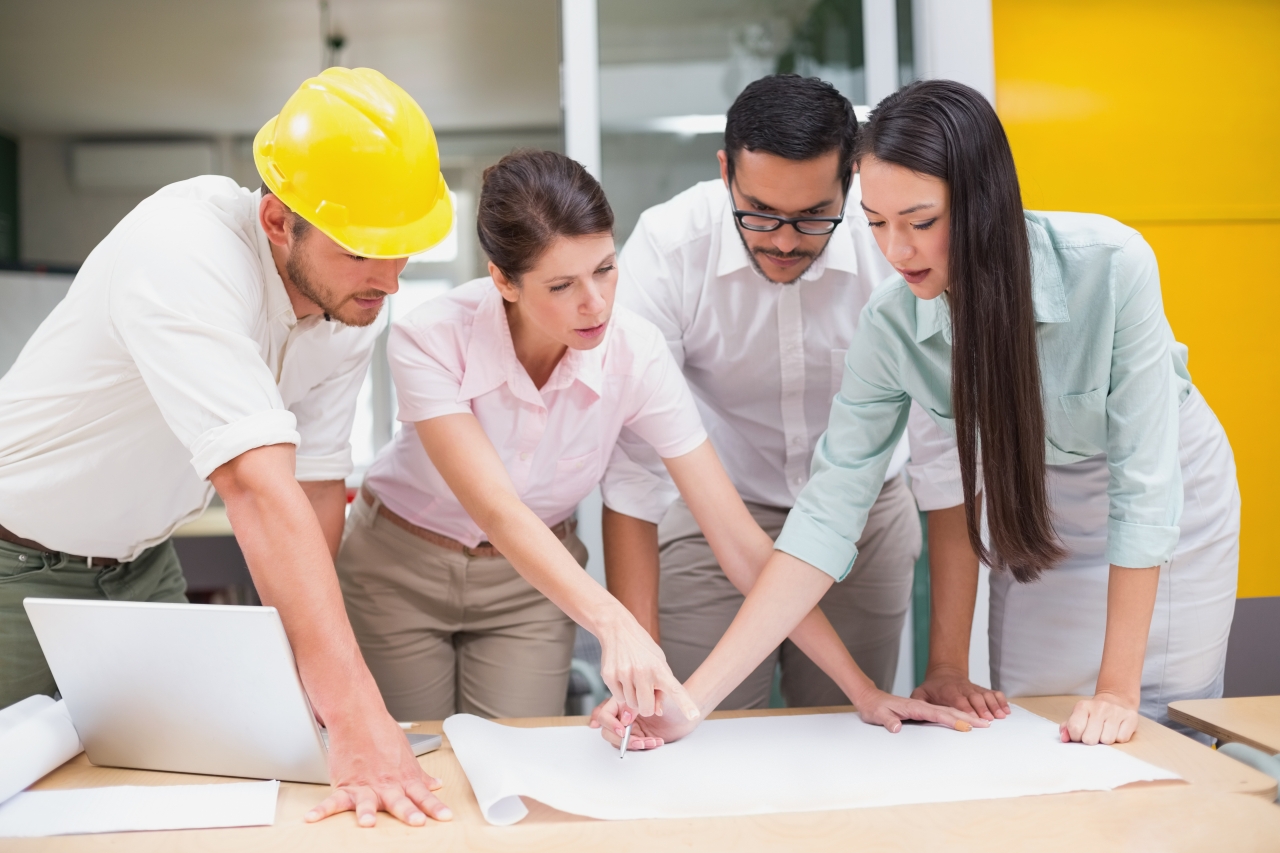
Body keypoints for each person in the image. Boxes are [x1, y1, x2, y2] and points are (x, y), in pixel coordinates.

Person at [593, 79, 1238, 750]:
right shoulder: (893, 321)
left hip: (1168, 498)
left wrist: (1118, 690)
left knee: (1154, 717)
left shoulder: (1111, 265)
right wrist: (690, 703)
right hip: (1030, 499)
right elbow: (827, 515)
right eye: (875, 223)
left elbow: (1143, 486)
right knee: (1037, 722)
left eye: (920, 223)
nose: (895, 251)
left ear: (982, 201)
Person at [335, 150, 974, 734]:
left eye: (605, 270)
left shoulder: (635, 351)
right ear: (504, 281)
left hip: (530, 585)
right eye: (561, 286)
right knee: (421, 754)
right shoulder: (428, 337)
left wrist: (862, 691)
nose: (595, 304)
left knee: (516, 757)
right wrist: (617, 624)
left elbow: (741, 544)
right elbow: (498, 509)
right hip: (400, 565)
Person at [0, 68, 457, 826]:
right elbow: (255, 485)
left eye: (402, 249)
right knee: (22, 807)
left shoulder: (351, 303)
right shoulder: (183, 250)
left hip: (142, 565)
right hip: (11, 561)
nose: (390, 280)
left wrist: (311, 679)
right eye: (362, 251)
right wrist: (354, 711)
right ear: (278, 220)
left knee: (190, 798)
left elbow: (315, 488)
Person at [601, 74, 923, 709]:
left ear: (851, 179)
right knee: (706, 729)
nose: (782, 240)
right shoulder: (669, 248)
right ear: (726, 172)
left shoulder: (892, 249)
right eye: (760, 212)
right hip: (717, 511)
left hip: (866, 516)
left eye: (812, 216)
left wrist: (946, 662)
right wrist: (640, 656)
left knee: (844, 729)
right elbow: (634, 467)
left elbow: (945, 444)